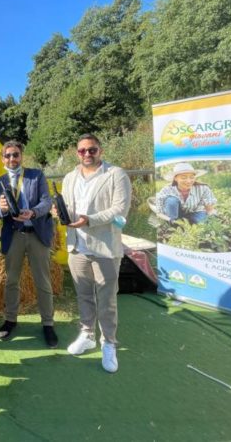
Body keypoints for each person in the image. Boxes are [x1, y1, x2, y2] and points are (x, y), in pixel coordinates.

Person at [59, 133, 131, 373]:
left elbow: (120, 209)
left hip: (105, 247)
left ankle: (108, 343)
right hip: (76, 246)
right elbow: (67, 207)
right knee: (83, 295)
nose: (87, 154)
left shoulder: (116, 174)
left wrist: (89, 220)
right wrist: (58, 212)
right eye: (82, 150)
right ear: (77, 153)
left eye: (92, 150)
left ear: (100, 150)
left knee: (107, 299)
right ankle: (87, 334)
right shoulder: (70, 177)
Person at [0, 140, 58, 348]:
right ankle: (10, 320)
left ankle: (48, 324)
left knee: (43, 281)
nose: (12, 158)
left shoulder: (36, 175)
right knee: (11, 281)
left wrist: (34, 212)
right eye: (8, 155)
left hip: (36, 233)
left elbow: (47, 201)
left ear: (21, 156)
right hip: (14, 235)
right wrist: (1, 209)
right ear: (2, 159)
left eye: (15, 154)